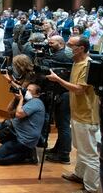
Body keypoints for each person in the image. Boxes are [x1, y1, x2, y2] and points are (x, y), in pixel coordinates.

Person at [47, 35, 100, 193]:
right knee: (80, 148)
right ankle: (79, 174)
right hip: (77, 113)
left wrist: (57, 80)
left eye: (70, 45)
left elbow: (79, 89)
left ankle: (91, 188)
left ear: (81, 48)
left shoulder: (88, 65)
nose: (68, 48)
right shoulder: (77, 62)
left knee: (89, 154)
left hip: (87, 116)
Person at [0, 84, 45, 165]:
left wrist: (21, 99)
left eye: (30, 91)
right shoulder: (27, 100)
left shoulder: (35, 102)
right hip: (15, 130)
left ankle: (27, 154)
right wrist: (16, 97)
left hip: (24, 138)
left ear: (37, 94)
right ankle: (12, 146)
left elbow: (19, 114)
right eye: (27, 89)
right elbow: (9, 110)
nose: (27, 92)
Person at [44, 35, 73, 164]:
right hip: (62, 92)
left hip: (64, 93)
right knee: (61, 124)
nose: (49, 44)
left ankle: (64, 154)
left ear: (60, 43)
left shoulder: (60, 56)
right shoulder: (58, 54)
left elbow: (48, 68)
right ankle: (58, 149)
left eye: (52, 42)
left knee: (63, 124)